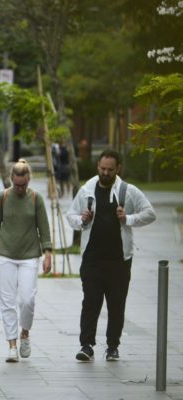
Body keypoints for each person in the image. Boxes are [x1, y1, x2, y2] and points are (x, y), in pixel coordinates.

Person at [67, 149, 156, 362]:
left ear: (118, 169)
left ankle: (112, 346)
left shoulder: (128, 191)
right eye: (102, 168)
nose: (105, 173)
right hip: (92, 259)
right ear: (98, 166)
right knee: (91, 302)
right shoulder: (87, 190)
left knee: (116, 304)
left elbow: (150, 213)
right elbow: (71, 215)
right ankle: (86, 345)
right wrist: (82, 220)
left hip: (119, 260)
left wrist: (128, 218)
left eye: (110, 170)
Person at [0, 159, 52, 362]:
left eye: (24, 184)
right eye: (17, 185)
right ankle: (12, 346)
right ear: (11, 180)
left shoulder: (36, 198)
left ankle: (25, 333)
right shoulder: (2, 197)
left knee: (27, 300)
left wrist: (48, 253)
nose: (20, 188)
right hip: (5, 254)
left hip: (29, 255)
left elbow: (44, 227)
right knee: (7, 302)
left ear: (29, 180)